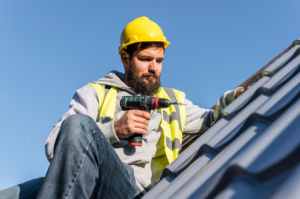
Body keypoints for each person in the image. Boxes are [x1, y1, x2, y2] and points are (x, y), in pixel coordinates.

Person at [0, 16, 244, 199]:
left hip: (132, 191)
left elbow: (210, 117)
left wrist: (234, 97)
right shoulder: (95, 92)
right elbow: (55, 147)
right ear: (125, 59)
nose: (154, 68)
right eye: (146, 59)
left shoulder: (171, 101)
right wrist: (114, 129)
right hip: (85, 181)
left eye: (159, 61)